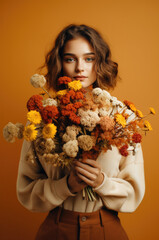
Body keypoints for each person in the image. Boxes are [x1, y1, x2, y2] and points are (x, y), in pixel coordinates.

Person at [16, 24, 145, 240]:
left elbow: (134, 191)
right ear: (60, 64)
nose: (79, 68)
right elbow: (26, 189)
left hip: (106, 229)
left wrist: (102, 182)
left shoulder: (124, 118)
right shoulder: (44, 119)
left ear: (100, 62)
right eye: (70, 59)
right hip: (57, 230)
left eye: (88, 58)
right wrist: (65, 186)